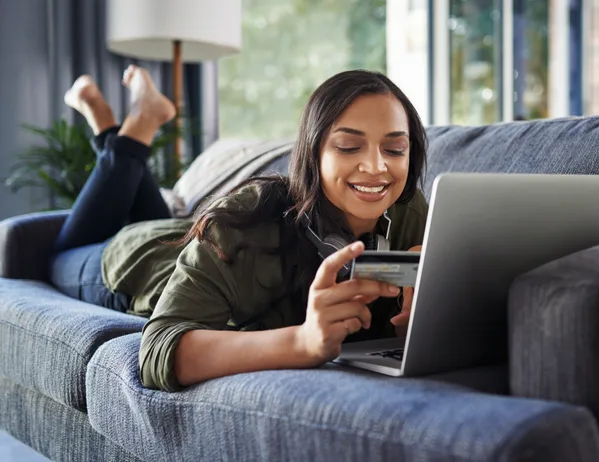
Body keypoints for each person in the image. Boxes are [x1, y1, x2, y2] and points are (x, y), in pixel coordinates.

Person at [50, 65, 429, 392]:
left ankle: (112, 127)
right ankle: (123, 122)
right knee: (57, 254)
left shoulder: (409, 208)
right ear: (312, 154)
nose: (377, 167)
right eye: (349, 146)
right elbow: (156, 351)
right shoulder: (247, 219)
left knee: (160, 220)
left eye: (395, 149)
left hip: (185, 234)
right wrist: (302, 340)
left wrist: (425, 308)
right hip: (134, 262)